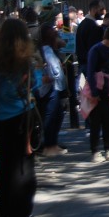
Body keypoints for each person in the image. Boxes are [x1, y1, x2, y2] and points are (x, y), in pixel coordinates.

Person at [0, 18, 38, 217]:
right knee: (24, 162)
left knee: (6, 162)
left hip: (1, 117)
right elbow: (35, 86)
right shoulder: (26, 62)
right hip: (24, 115)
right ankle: (21, 210)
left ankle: (4, 207)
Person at [86, 26, 109, 163]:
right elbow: (90, 71)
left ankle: (108, 148)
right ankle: (95, 151)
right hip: (97, 86)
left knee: (108, 120)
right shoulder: (95, 50)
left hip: (108, 87)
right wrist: (94, 91)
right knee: (95, 121)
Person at [38, 23, 68, 156]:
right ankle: (50, 145)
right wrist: (58, 71)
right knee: (52, 116)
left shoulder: (44, 50)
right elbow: (55, 72)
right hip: (51, 86)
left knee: (56, 115)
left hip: (51, 87)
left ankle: (52, 144)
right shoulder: (48, 50)